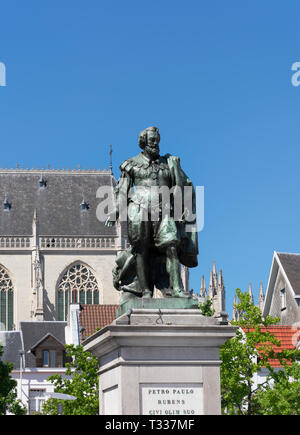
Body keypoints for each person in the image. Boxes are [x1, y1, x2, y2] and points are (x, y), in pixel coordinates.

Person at [105, 126, 198, 299]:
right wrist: (115, 212)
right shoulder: (131, 164)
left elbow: (184, 184)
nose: (156, 143)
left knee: (171, 246)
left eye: (157, 140)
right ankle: (145, 290)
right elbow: (123, 190)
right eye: (152, 140)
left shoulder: (169, 163)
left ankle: (176, 288)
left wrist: (182, 206)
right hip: (139, 210)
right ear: (143, 142)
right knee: (142, 251)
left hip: (164, 211)